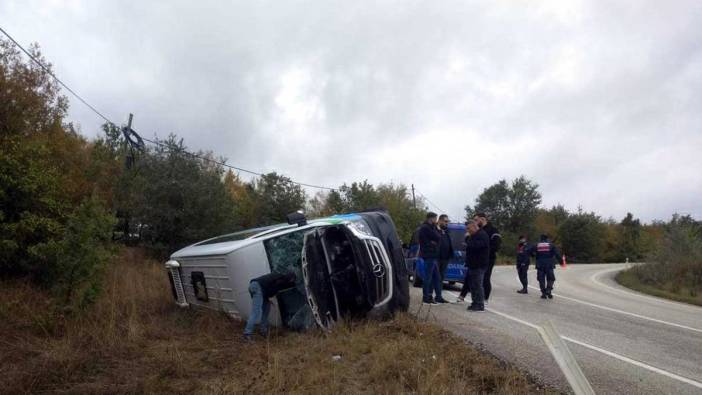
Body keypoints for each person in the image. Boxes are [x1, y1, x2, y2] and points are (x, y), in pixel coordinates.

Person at [244, 271, 297, 339]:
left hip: (257, 287)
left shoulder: (278, 276)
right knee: (255, 312)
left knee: (266, 308)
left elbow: (268, 288)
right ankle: (247, 333)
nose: (291, 281)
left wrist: (267, 299)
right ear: (290, 278)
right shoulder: (279, 279)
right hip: (258, 287)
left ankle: (263, 331)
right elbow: (272, 289)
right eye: (292, 280)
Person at [418, 212, 447, 304]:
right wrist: (434, 240)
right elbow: (437, 237)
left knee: (437, 277)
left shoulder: (431, 227)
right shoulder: (425, 228)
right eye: (435, 219)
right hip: (429, 255)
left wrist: (435, 239)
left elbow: (438, 238)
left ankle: (438, 297)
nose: (436, 221)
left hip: (433, 255)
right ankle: (426, 298)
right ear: (431, 219)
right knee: (428, 277)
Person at [474, 213, 501, 304]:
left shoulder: (493, 230)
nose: (475, 222)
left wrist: (485, 250)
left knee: (485, 278)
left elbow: (496, 246)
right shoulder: (479, 230)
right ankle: (476, 298)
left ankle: (485, 298)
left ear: (483, 219)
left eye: (476, 220)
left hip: (489, 258)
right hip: (479, 258)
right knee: (477, 279)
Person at [463, 220, 489, 311]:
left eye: (468, 228)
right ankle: (474, 302)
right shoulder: (474, 235)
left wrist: (467, 239)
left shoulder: (482, 235)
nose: (467, 231)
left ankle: (480, 304)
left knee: (478, 285)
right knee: (472, 285)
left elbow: (475, 246)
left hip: (479, 264)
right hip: (472, 264)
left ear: (474, 226)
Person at [528, 234, 562, 299]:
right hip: (549, 264)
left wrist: (533, 255)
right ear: (547, 239)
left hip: (540, 264)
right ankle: (548, 290)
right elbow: (557, 254)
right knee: (551, 278)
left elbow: (530, 251)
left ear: (541, 239)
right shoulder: (551, 245)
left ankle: (543, 293)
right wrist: (561, 262)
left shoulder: (536, 245)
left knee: (541, 279)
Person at [437, 214, 455, 282]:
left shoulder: (447, 231)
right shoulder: (434, 229)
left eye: (448, 221)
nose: (447, 223)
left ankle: (438, 291)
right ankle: (430, 291)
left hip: (445, 258)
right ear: (440, 221)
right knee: (435, 275)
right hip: (436, 257)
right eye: (445, 221)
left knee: (441, 276)